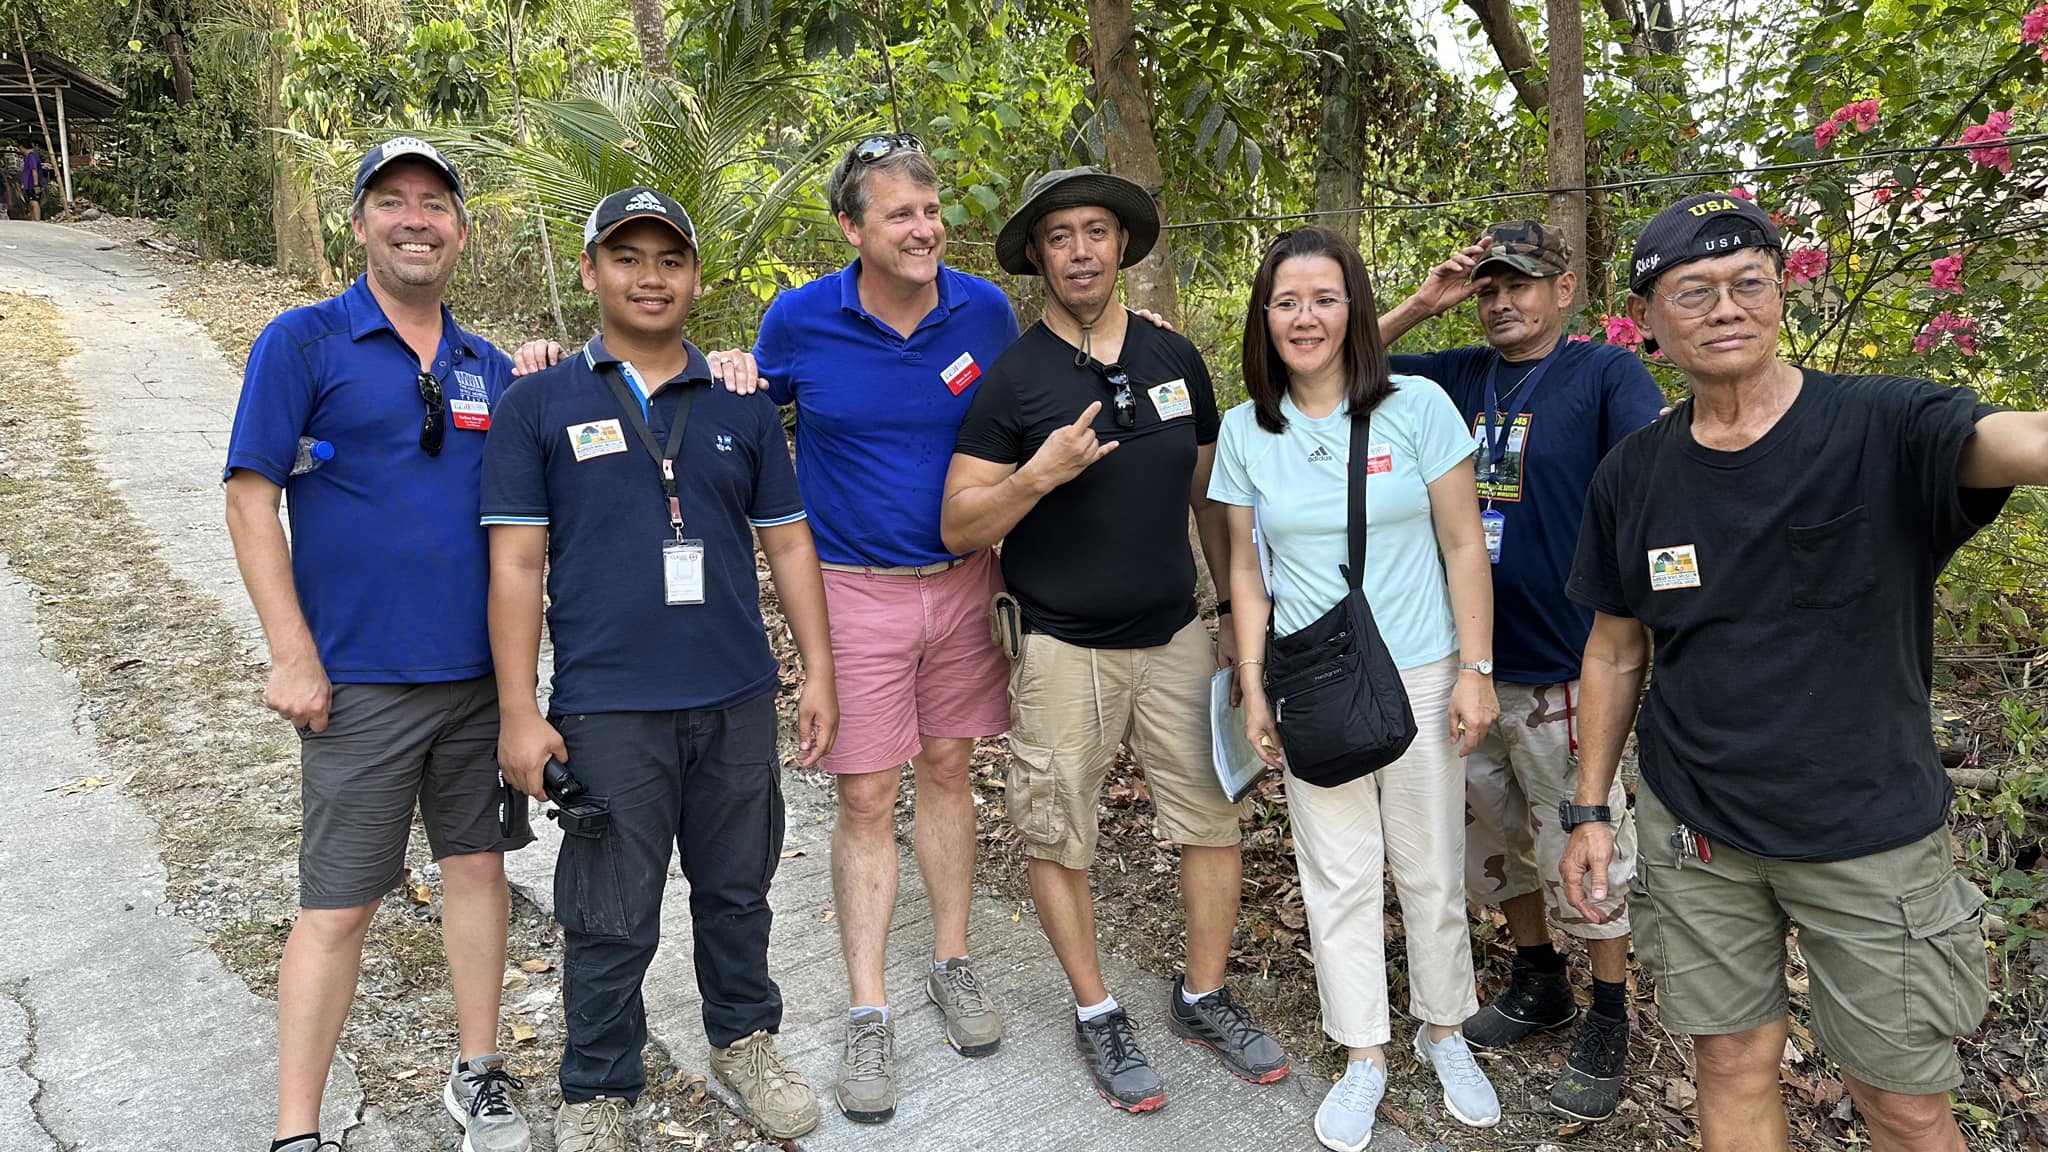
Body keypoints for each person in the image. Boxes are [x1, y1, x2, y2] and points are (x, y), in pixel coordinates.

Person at [1560, 190, 2048, 1152]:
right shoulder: (1634, 473)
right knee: (1731, 1066)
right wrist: (1588, 810)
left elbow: (2017, 441)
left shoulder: (1886, 424)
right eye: (1693, 292)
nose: (1726, 307)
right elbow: (1617, 646)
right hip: (1696, 828)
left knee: (1903, 1103)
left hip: (1865, 833)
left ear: (1783, 296)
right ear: (1649, 323)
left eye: (1750, 283)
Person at [481, 186, 838, 1152]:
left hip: (733, 696)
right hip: (607, 708)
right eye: (628, 258)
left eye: (668, 260)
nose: (650, 277)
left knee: (737, 889)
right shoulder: (538, 403)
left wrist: (818, 671)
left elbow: (791, 545)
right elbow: (515, 563)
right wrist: (521, 711)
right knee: (610, 912)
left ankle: (745, 1041)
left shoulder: (741, 403)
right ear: (591, 270)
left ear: (693, 277)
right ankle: (598, 1087)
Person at [941, 166, 1288, 1113]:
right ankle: (1097, 1011)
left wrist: (1225, 618)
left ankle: (1203, 996)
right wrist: (1037, 477)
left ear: (1122, 245)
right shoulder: (1015, 381)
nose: (1082, 251)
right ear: (1038, 258)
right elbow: (961, 525)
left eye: (1097, 231)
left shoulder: (1177, 359)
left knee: (1214, 821)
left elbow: (1214, 502)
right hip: (1059, 648)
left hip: (1178, 634)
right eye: (1061, 237)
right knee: (1059, 830)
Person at [224, 138, 533, 1152]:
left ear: (460, 228)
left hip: (478, 686)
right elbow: (249, 496)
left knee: (478, 871)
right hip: (356, 686)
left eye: (434, 204)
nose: (415, 219)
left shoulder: (485, 364)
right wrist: (291, 651)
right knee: (339, 903)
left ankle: (477, 1070)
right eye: (392, 202)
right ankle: (295, 1128)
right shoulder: (304, 342)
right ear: (357, 223)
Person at [1211, 227, 1502, 1151]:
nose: (1306, 317)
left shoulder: (1417, 406)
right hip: (1314, 680)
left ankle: (1445, 1028)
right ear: (1266, 316)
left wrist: (1475, 668)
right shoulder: (1244, 426)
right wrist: (1253, 687)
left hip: (1420, 671)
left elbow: (1465, 544)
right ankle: (1364, 1054)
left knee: (1430, 867)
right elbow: (1248, 574)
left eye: (1325, 298)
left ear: (1356, 310)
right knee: (1337, 873)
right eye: (1288, 301)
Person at [750, 134, 1018, 1123]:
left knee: (949, 770)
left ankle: (951, 961)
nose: (923, 228)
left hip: (964, 579)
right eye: (898, 213)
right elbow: (749, 419)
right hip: (850, 588)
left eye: (930, 207)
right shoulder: (799, 319)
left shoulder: (982, 311)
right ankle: (868, 1010)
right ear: (851, 227)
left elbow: (1034, 407)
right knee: (866, 796)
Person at [1374, 220, 1665, 1119]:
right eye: (1490, 286)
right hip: (1464, 665)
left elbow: (1656, 474)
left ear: (1565, 289)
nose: (1503, 301)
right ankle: (1538, 977)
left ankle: (1610, 1010)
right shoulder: (1456, 374)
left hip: (1569, 666)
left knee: (1585, 844)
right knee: (1491, 843)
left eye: (1522, 285)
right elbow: (1336, 365)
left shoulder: (1603, 374)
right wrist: (1426, 303)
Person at [21, 143, 42, 221]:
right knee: (30, 202)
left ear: (22, 147)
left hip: (32, 184)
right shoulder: (28, 157)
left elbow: (34, 170)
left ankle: (37, 220)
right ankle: (34, 219)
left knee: (34, 201)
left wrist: (36, 185)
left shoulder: (31, 156)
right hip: (28, 184)